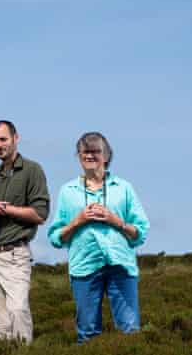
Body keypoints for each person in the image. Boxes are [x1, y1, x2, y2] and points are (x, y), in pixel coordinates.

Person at [47, 132, 150, 343]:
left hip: (121, 265)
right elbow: (55, 237)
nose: (90, 156)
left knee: (129, 329)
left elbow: (141, 232)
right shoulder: (67, 191)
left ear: (106, 156)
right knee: (87, 332)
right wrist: (78, 220)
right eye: (85, 152)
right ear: (78, 156)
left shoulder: (124, 188)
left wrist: (115, 220)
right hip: (84, 266)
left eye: (95, 151)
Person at [0, 120, 50, 344]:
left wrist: (2, 209)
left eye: (3, 139)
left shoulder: (32, 170)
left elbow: (40, 214)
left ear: (16, 138)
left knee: (18, 311)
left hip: (15, 254)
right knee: (0, 323)